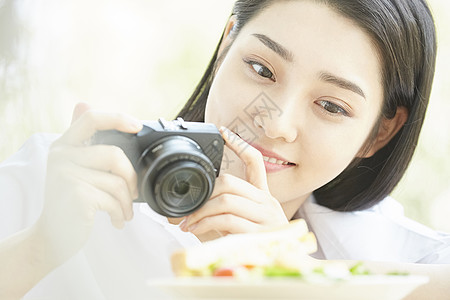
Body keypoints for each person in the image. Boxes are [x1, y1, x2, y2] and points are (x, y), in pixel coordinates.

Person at [1, 0, 449, 299]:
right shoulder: (61, 179)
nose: (274, 122)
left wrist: (293, 278)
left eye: (331, 105)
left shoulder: (407, 258)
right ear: (225, 46)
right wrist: (40, 246)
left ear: (380, 133)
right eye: (260, 69)